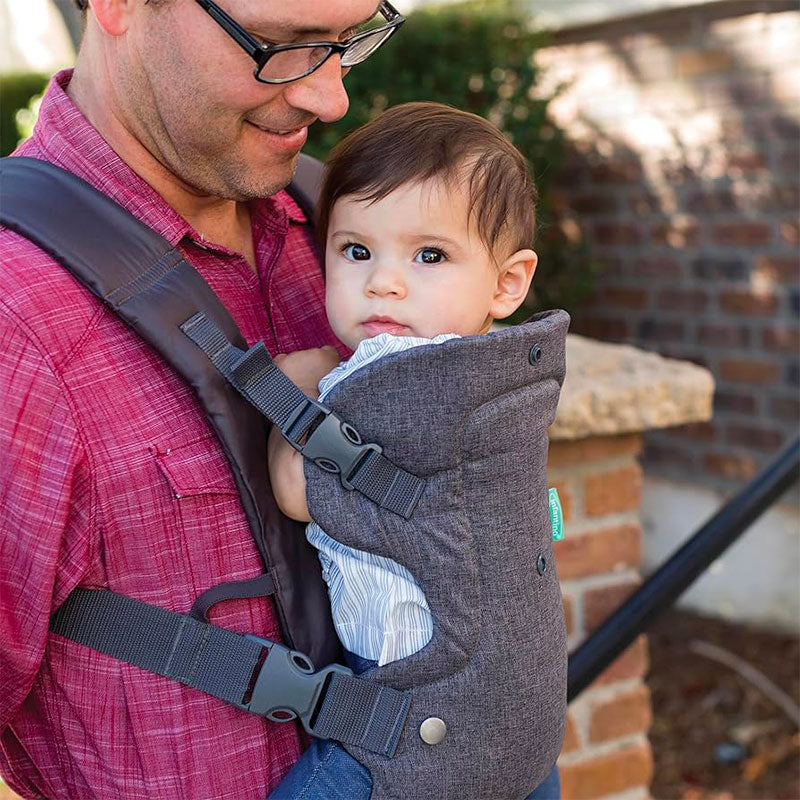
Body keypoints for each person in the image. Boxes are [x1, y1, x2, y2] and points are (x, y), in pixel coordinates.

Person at [0, 1, 405, 798]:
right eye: (280, 45)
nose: (333, 99)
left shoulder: (351, 230)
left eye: (351, 37)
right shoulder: (18, 317)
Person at [266, 103, 563, 800]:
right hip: (519, 726)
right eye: (356, 250)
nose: (384, 282)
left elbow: (296, 489)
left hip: (425, 724)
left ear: (508, 282)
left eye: (429, 255)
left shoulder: (410, 381)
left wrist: (293, 394)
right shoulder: (502, 375)